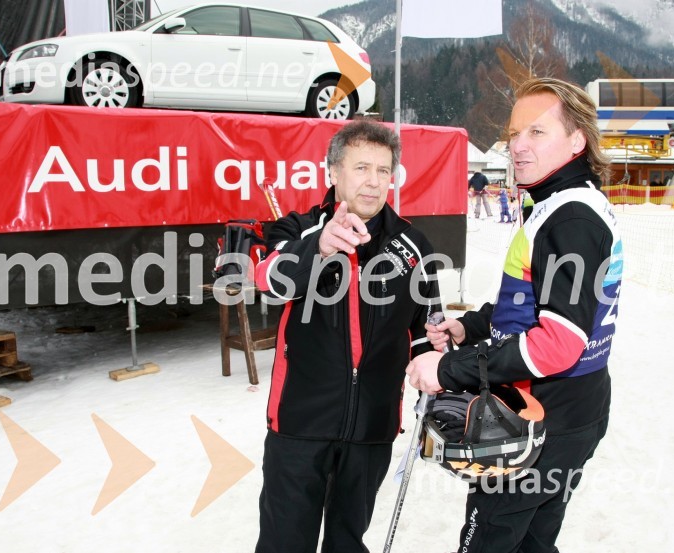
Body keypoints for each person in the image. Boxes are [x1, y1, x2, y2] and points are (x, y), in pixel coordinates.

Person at [406, 77, 622, 553]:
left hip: (547, 415)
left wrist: (446, 369)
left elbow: (559, 342)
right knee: (531, 542)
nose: (517, 146)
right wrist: (471, 325)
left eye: (537, 133)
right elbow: (529, 305)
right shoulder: (557, 205)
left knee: (491, 540)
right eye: (514, 134)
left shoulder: (571, 219)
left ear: (576, 140)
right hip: (564, 409)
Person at [253, 120, 442, 553]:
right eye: (360, 168)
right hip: (300, 424)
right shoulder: (295, 230)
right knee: (284, 542)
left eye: (382, 170)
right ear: (333, 172)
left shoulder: (413, 244)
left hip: (371, 428)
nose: (373, 182)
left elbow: (423, 331)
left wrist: (432, 365)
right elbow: (268, 280)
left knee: (347, 542)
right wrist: (319, 246)